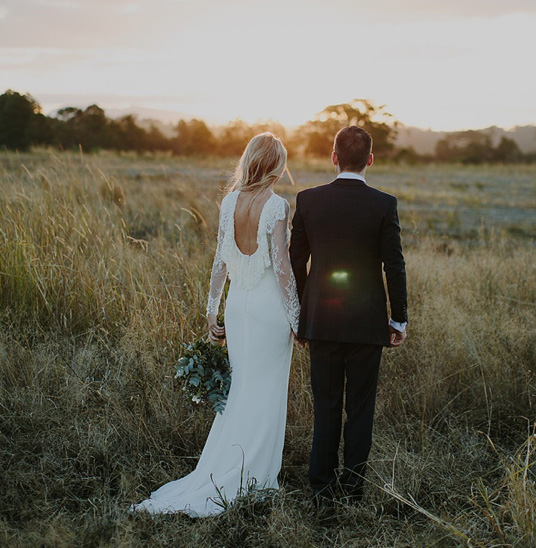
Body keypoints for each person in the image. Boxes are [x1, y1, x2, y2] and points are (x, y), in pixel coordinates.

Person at [131, 133, 300, 517]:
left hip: (237, 305)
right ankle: (254, 477)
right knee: (266, 390)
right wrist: (298, 317)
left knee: (241, 387)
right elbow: (283, 269)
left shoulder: (228, 202)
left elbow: (219, 262)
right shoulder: (276, 206)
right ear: (275, 165)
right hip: (268, 307)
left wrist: (212, 310)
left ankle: (229, 465)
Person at [289, 125, 407, 507]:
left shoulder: (308, 200)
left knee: (325, 406)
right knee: (360, 409)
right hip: (367, 322)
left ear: (333, 156)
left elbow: (295, 259)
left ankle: (321, 488)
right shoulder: (384, 204)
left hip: (320, 321)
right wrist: (398, 318)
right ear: (370, 160)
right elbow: (395, 265)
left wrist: (302, 313)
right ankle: (353, 488)